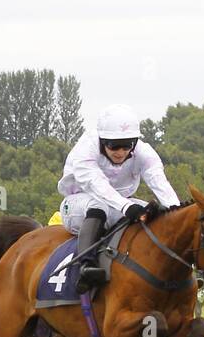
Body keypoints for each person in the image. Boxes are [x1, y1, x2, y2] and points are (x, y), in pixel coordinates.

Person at [58, 104, 181, 292]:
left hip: (119, 205)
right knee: (98, 205)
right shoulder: (86, 149)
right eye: (114, 145)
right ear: (102, 141)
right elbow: (96, 185)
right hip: (78, 204)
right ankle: (86, 265)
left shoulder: (144, 152)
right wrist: (126, 207)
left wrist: (177, 211)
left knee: (154, 212)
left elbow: (159, 181)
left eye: (127, 145)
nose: (121, 152)